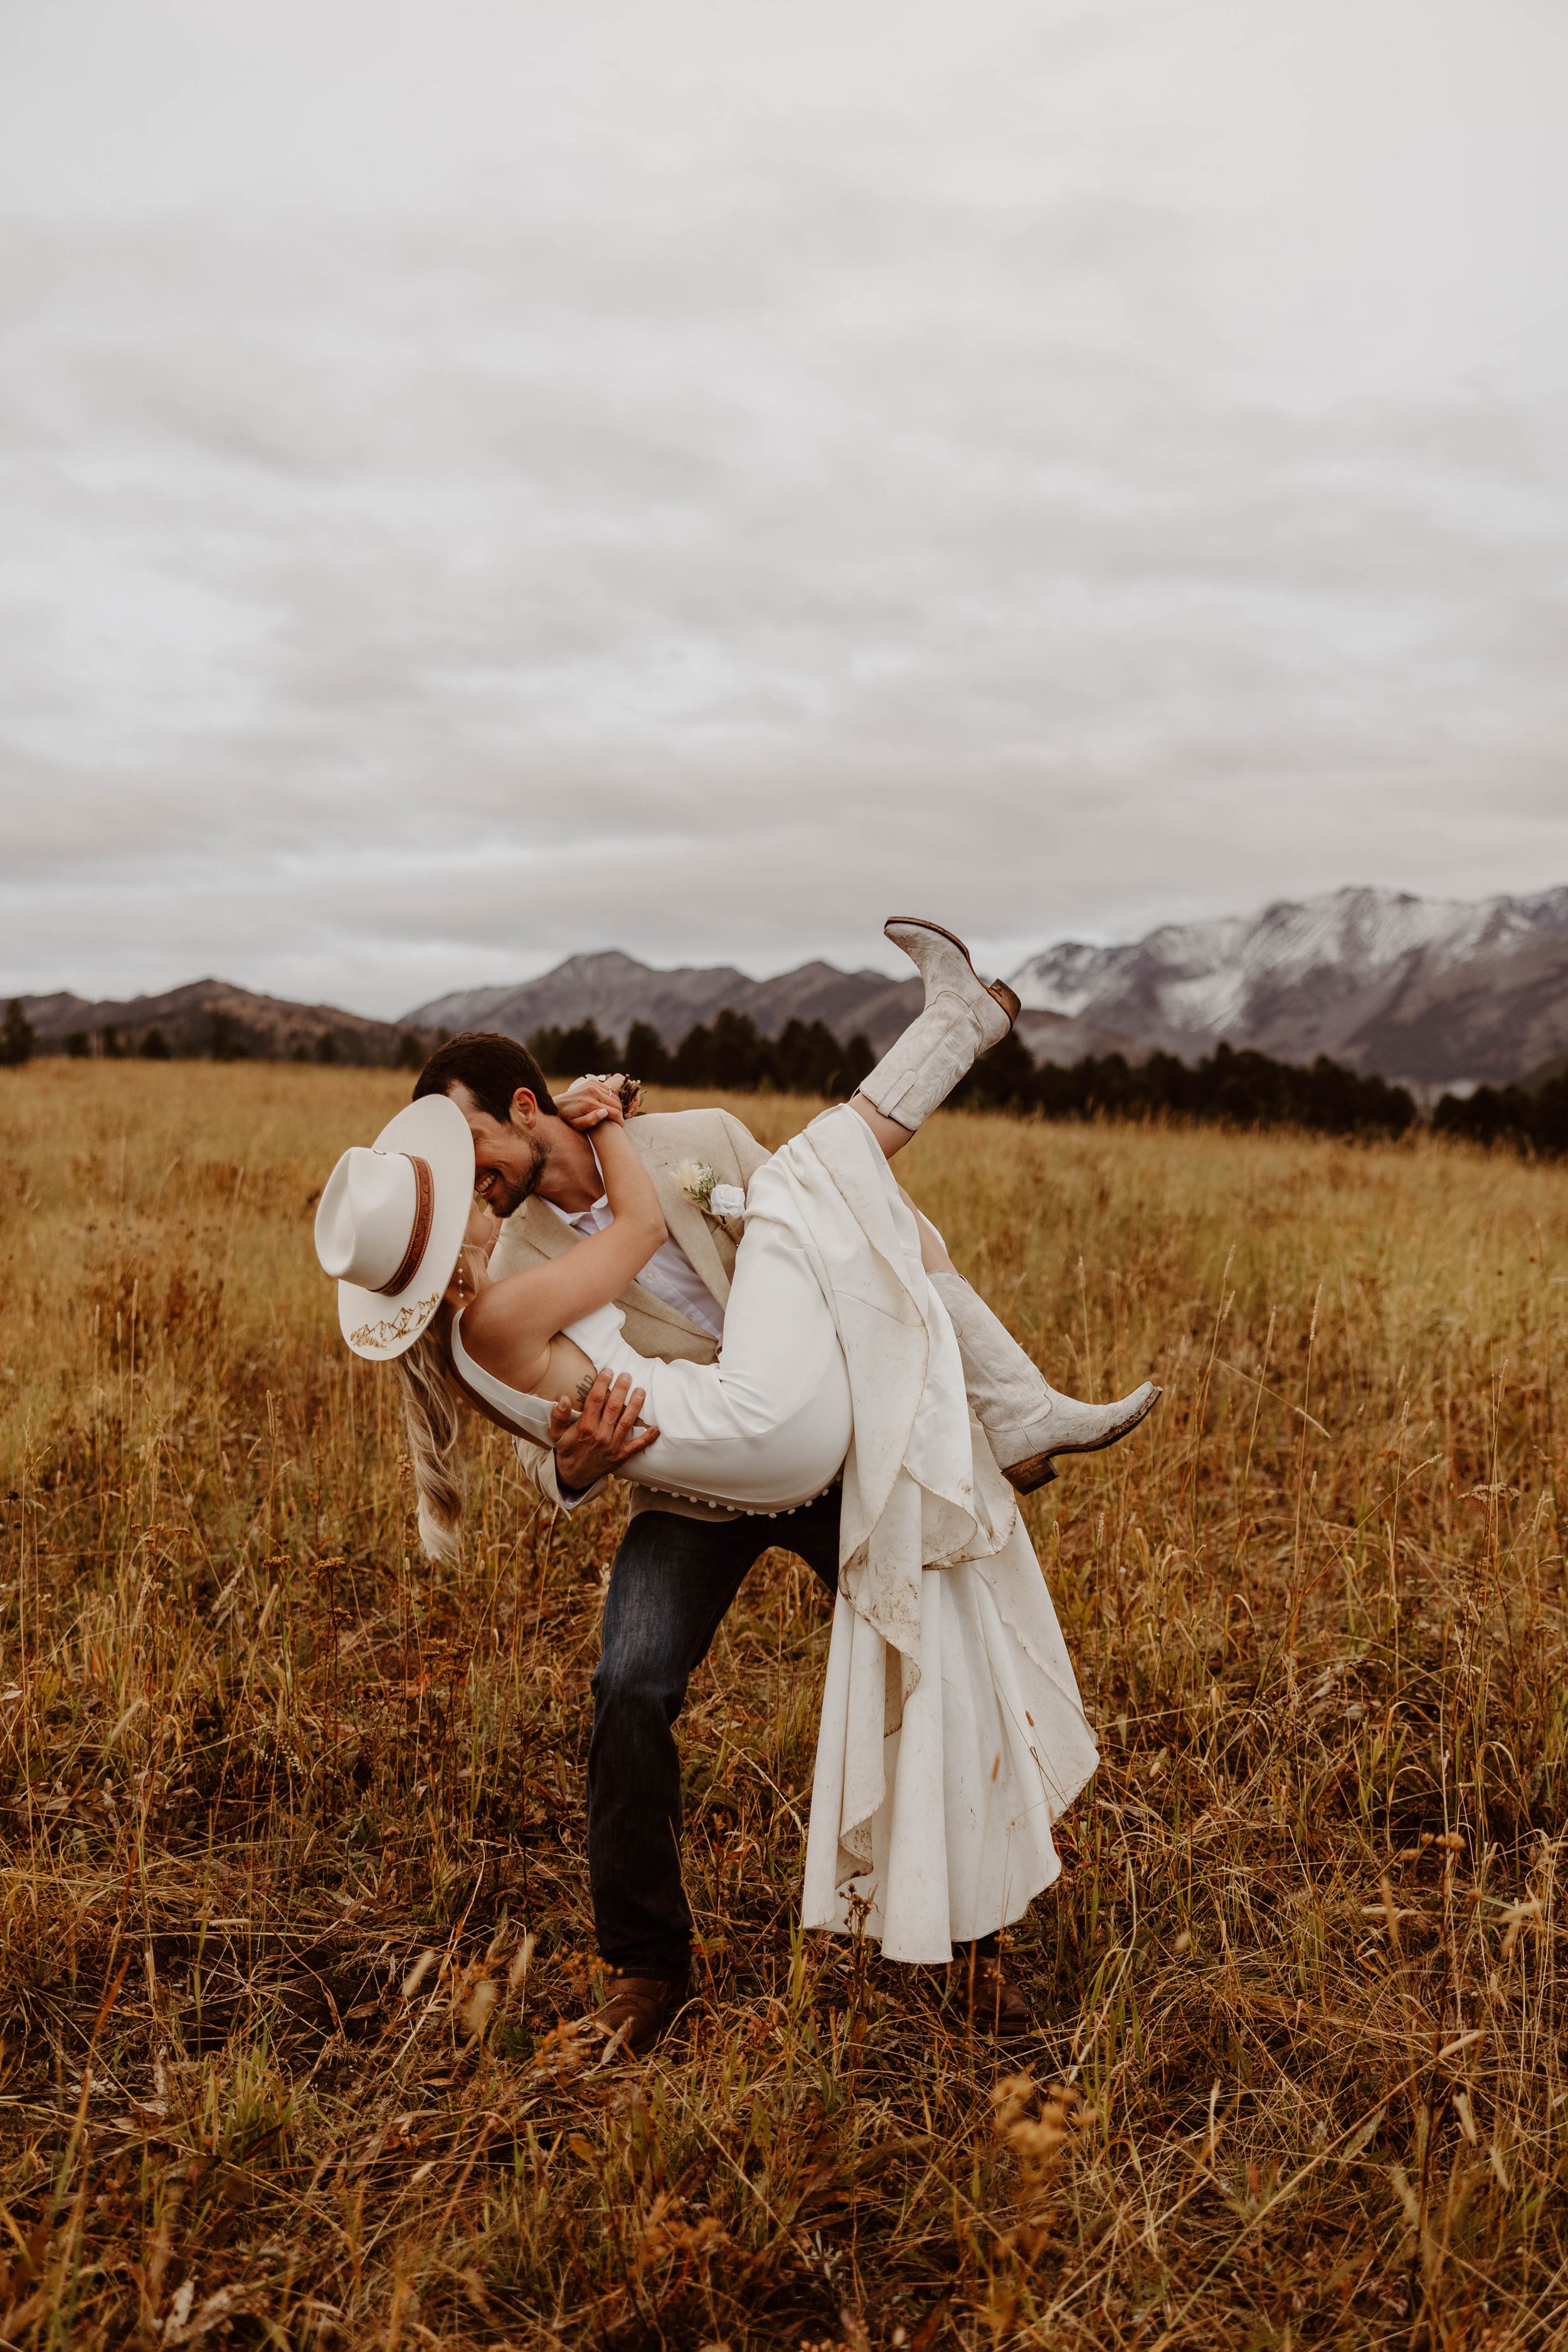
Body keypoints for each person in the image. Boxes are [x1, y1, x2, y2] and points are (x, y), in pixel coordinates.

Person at [315, 921, 1158, 2049]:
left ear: (527, 1106)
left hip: (819, 1439)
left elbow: (852, 1238)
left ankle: (971, 1945)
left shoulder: (698, 1136)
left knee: (932, 1631)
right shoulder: (499, 1273)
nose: (471, 1176)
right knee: (631, 1684)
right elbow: (538, 1435)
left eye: (471, 1143)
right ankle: (646, 1969)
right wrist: (571, 1464)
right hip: (690, 1487)